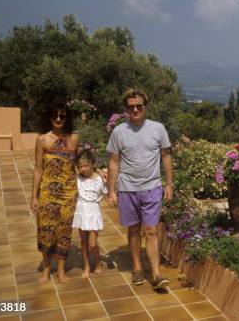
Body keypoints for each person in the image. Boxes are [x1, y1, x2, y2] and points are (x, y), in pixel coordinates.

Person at [106, 88, 174, 290]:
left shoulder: (158, 129)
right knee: (134, 229)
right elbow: (114, 162)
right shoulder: (119, 131)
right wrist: (111, 190)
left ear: (146, 106)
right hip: (127, 189)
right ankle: (137, 268)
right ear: (126, 109)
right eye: (131, 107)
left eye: (139, 106)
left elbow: (166, 156)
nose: (135, 110)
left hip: (152, 187)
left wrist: (169, 183)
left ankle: (155, 273)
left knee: (151, 231)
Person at [31, 101, 79, 283]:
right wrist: (33, 197)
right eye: (55, 116)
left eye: (62, 116)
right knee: (46, 231)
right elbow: (37, 169)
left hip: (68, 193)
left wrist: (98, 173)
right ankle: (46, 269)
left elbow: (80, 164)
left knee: (64, 232)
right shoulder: (42, 139)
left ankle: (60, 270)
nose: (58, 119)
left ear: (67, 118)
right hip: (47, 194)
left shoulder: (74, 139)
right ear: (50, 117)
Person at [72, 148, 107, 278]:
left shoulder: (100, 179)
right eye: (80, 167)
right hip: (81, 211)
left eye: (86, 165)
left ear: (92, 164)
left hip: (93, 212)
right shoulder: (77, 179)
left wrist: (100, 171)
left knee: (92, 243)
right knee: (83, 241)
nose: (83, 169)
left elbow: (107, 193)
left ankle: (98, 262)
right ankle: (86, 266)